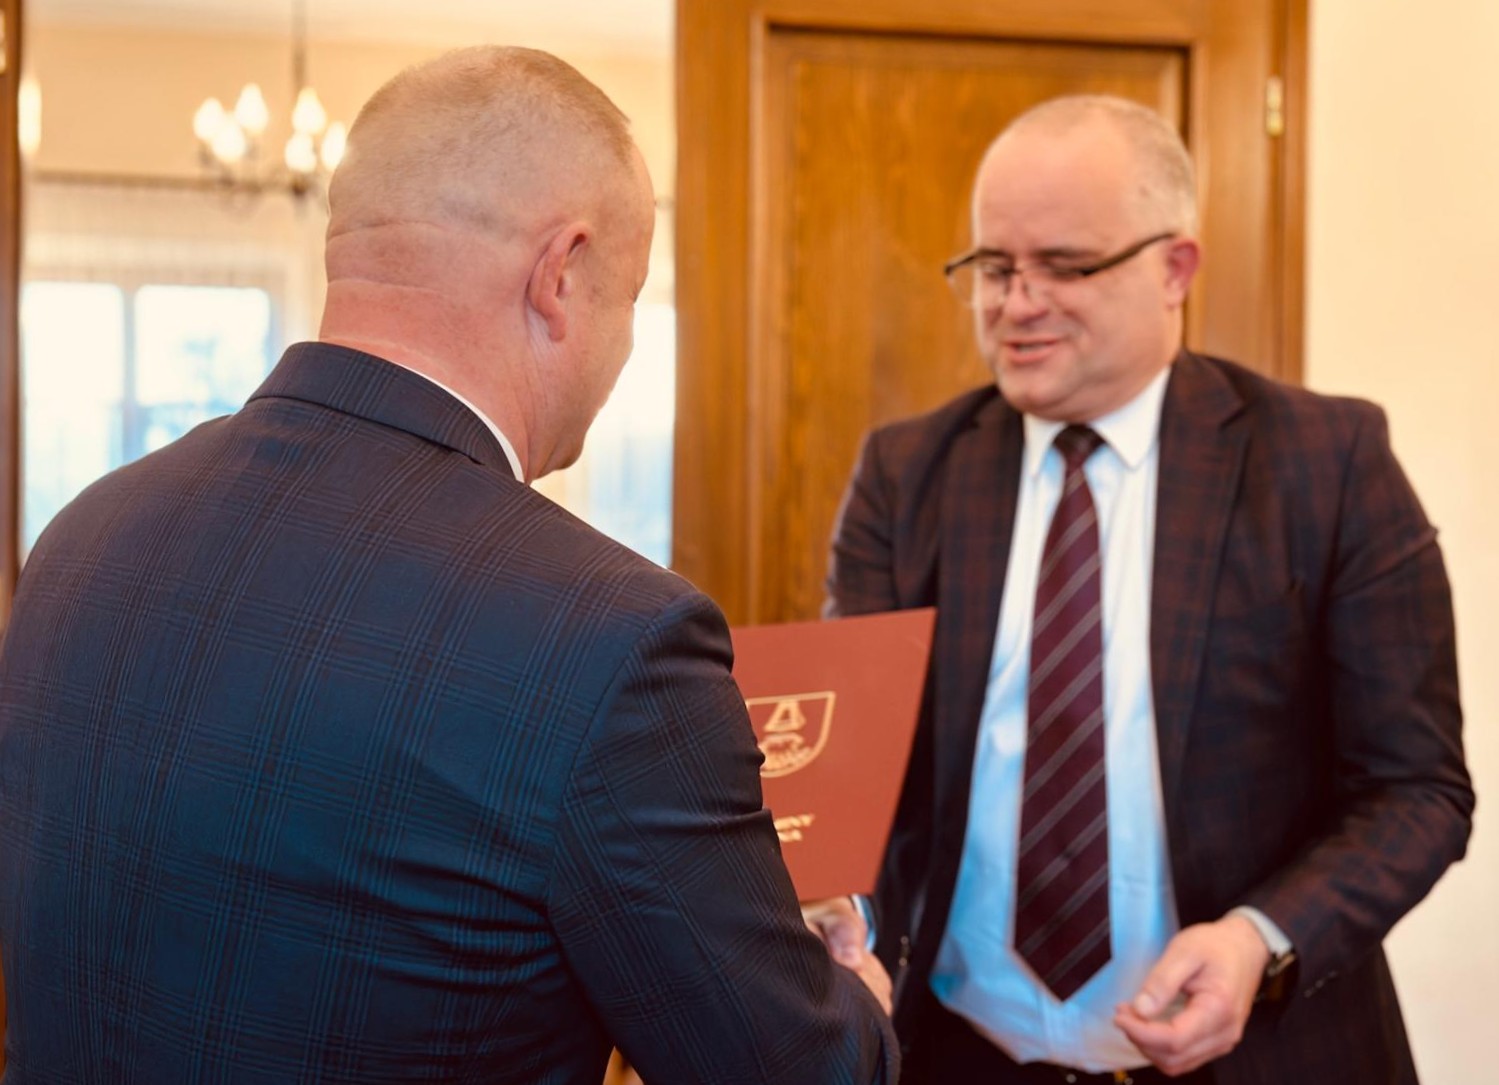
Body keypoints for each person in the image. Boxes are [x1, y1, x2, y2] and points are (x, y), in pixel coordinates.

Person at [0, 46, 897, 1085]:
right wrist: (852, 992)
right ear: (561, 275)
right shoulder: (611, 639)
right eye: (629, 300)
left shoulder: (82, 536)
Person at [819, 95, 1473, 1084]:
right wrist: (842, 905)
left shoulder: (1326, 463)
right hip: (960, 1051)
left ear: (1174, 268)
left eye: (1064, 266)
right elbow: (860, 775)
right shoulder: (905, 474)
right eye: (992, 266)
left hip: (1263, 1053)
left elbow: (1415, 788)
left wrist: (1260, 938)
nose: (1016, 303)